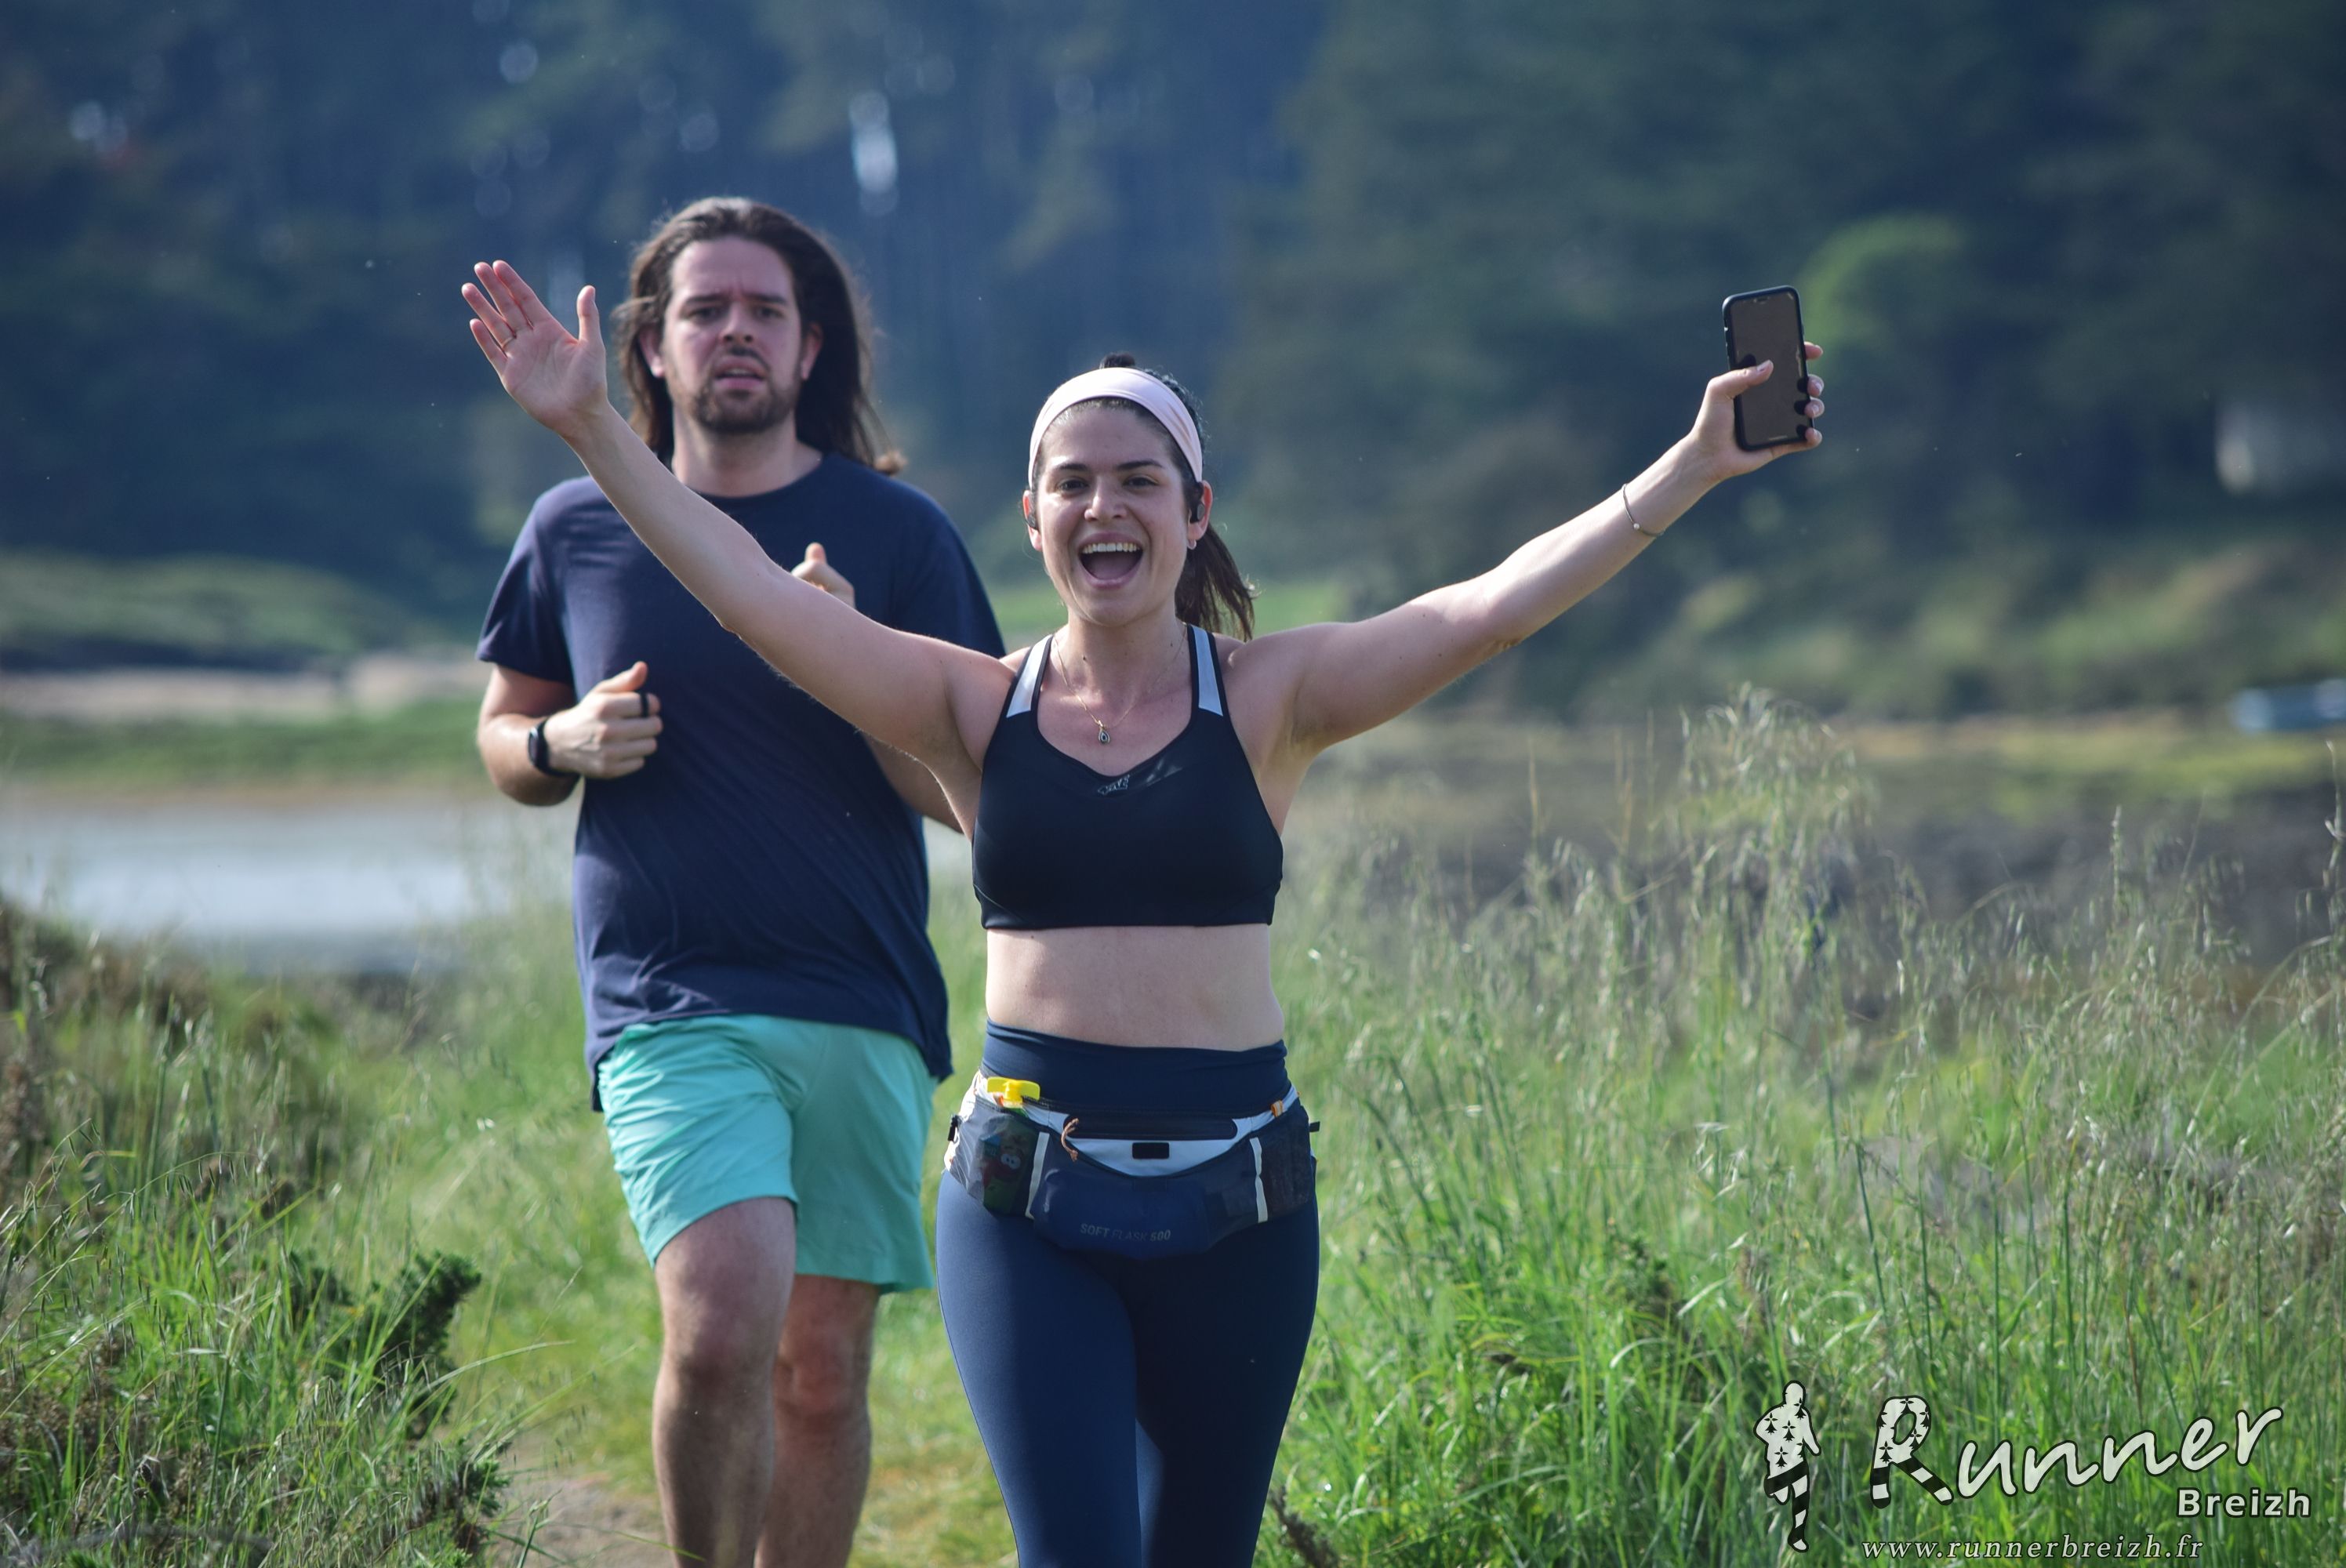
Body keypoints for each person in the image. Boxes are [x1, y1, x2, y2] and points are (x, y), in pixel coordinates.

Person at [461, 255, 1823, 1566]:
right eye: (1073, 483)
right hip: (1026, 1199)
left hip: (1244, 1204)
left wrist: (1695, 463)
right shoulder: (966, 706)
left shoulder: (1276, 697)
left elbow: (1487, 613)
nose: (1103, 507)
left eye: (1137, 481)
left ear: (1195, 509)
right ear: (1033, 516)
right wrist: (593, 427)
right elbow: (751, 598)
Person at [469, 200, 1001, 1568]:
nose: (737, 333)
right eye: (705, 311)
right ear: (651, 347)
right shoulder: (575, 526)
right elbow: (503, 739)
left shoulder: (899, 534)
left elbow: (964, 790)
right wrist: (558, 741)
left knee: (819, 1373)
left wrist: (854, 656)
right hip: (670, 996)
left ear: (812, 346)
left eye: (767, 310)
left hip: (861, 992)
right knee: (719, 1329)